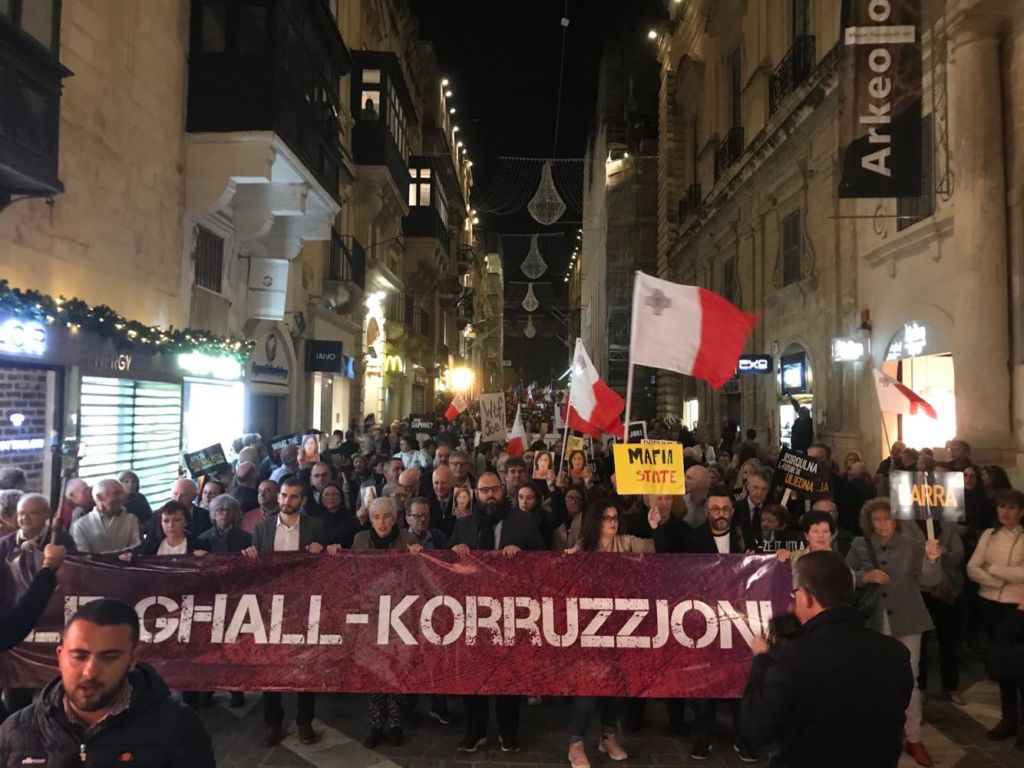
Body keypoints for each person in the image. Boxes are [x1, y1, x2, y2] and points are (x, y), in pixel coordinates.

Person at [741, 551, 914, 768]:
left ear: (806, 597)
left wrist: (761, 661)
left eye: (795, 595)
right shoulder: (895, 653)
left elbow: (757, 729)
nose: (791, 604)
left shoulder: (789, 659)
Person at [0, 598, 215, 766]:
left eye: (109, 657)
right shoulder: (15, 733)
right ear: (60, 656)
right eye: (79, 656)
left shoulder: (179, 729)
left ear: (131, 660)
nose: (90, 671)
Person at [450, 471, 545, 753]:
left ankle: (508, 732)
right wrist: (455, 550)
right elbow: (446, 567)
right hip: (473, 611)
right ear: (475, 494)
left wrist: (523, 555)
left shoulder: (524, 521)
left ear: (503, 491)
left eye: (494, 489)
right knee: (472, 673)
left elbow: (543, 560)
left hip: (510, 610)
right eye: (483, 491)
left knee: (509, 673)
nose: (489, 495)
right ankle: (475, 731)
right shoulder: (464, 524)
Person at [846, 498, 943, 767]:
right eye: (876, 520)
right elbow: (843, 576)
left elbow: (929, 581)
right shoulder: (859, 544)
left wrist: (933, 560)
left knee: (909, 680)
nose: (882, 524)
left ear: (896, 520)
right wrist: (865, 576)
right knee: (874, 681)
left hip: (908, 621)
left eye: (886, 518)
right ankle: (877, 733)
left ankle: (913, 736)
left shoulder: (912, 545)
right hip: (873, 622)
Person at [562, 499, 655, 766]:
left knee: (614, 685)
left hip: (619, 626)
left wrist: (654, 527)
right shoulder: (582, 548)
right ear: (596, 521)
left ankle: (608, 736)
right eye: (606, 518)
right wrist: (567, 562)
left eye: (615, 517)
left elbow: (657, 550)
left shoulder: (625, 543)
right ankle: (576, 744)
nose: (613, 522)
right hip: (588, 629)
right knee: (587, 688)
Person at [243, 477, 326, 746]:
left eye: (292, 497)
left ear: (302, 501)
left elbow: (329, 566)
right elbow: (256, 571)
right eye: (283, 495)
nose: (285, 501)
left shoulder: (316, 527)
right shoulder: (263, 529)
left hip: (304, 605)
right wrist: (250, 556)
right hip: (271, 606)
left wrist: (322, 552)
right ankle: (274, 722)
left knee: (306, 664)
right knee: (271, 665)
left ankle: (304, 721)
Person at [684, 486, 755, 761]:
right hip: (706, 620)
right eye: (715, 509)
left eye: (725, 509)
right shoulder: (695, 538)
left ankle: (743, 737)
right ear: (706, 511)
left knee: (742, 682)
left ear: (733, 511)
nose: (721, 514)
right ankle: (702, 738)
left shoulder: (744, 535)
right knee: (705, 682)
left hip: (740, 620)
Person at [353, 496, 422, 747]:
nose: (381, 522)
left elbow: (419, 575)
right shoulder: (360, 540)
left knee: (396, 672)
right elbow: (350, 572)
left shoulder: (409, 540)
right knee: (375, 671)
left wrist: (418, 555)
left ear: (395, 518)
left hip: (401, 615)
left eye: (386, 516)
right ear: (370, 519)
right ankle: (375, 724)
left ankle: (395, 724)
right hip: (371, 614)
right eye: (376, 517)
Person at [966, 488, 1024, 742]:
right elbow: (972, 568)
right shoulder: (989, 535)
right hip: (989, 604)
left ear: (1021, 512)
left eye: (1011, 507)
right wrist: (1000, 577)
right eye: (1002, 506)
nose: (1005, 511)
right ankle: (1008, 719)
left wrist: (995, 570)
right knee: (1002, 669)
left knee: (1020, 668)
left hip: (1016, 608)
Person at [71, 478, 140, 555]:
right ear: (99, 497)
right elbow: (84, 556)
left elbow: (136, 548)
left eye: (122, 493)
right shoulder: (80, 526)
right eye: (116, 493)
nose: (122, 497)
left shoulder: (131, 520)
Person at [139, 502, 209, 556]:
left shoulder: (200, 545)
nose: (171, 525)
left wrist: (206, 557)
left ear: (186, 522)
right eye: (166, 521)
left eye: (177, 520)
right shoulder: (150, 545)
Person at [733, 468, 772, 532]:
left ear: (768, 490)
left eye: (764, 489)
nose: (759, 493)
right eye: (755, 487)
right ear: (747, 486)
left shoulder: (774, 510)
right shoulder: (735, 509)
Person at [552, 485, 585, 551]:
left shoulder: (586, 519)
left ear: (582, 502)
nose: (573, 502)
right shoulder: (556, 517)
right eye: (570, 498)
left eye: (577, 498)